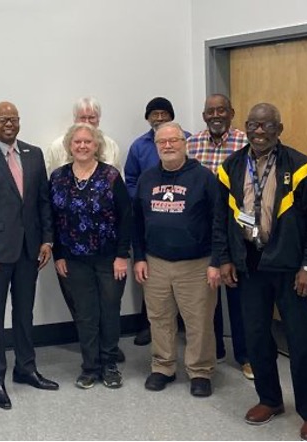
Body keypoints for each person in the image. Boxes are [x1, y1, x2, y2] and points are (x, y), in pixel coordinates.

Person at [214, 103, 307, 441]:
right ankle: (269, 400)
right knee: (255, 338)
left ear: (279, 129)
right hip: (250, 267)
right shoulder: (231, 166)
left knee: (301, 342)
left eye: (267, 125)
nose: (259, 131)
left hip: (291, 269)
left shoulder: (304, 167)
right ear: (246, 127)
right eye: (253, 125)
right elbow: (220, 220)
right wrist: (224, 258)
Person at [0, 101, 58, 410]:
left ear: (19, 122)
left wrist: (47, 240)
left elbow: (43, 200)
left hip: (30, 250)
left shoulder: (34, 154)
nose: (8, 123)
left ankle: (25, 368)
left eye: (13, 118)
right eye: (2, 119)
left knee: (24, 314)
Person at [132, 121, 220, 398]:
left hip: (196, 264)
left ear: (185, 143)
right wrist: (139, 258)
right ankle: (163, 366)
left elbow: (219, 222)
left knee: (199, 320)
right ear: (156, 146)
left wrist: (217, 261)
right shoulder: (147, 178)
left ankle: (201, 371)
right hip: (155, 261)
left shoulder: (204, 177)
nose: (168, 146)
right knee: (159, 318)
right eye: (162, 142)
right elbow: (136, 222)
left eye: (174, 140)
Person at [49, 123, 132, 390]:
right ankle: (90, 367)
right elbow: (54, 219)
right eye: (77, 142)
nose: (82, 146)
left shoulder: (110, 176)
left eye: (88, 142)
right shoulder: (58, 177)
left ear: (97, 145)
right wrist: (58, 255)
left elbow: (126, 217)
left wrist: (122, 256)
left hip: (109, 259)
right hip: (73, 258)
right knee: (85, 314)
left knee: (109, 311)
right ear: (69, 146)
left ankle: (109, 365)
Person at [186, 94, 252, 380]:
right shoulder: (191, 144)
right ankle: (213, 352)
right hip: (202, 230)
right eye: (211, 111)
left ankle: (246, 356)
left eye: (221, 110)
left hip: (237, 228)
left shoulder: (246, 143)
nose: (216, 115)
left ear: (231, 113)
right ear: (204, 116)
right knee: (206, 295)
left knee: (239, 295)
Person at [125, 97, 190, 347]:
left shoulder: (188, 140)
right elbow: (130, 178)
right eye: (155, 114)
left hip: (182, 220)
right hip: (152, 219)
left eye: (164, 113)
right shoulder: (139, 146)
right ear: (148, 118)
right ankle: (149, 328)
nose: (159, 118)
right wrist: (142, 198)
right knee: (153, 284)